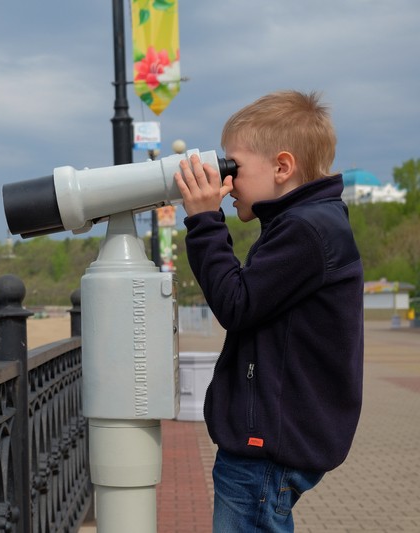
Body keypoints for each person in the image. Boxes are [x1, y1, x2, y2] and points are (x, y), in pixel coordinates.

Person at [174, 90, 364, 532]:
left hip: (266, 451)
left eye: (233, 166)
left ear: (282, 167)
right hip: (271, 442)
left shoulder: (306, 230)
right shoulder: (308, 222)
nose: (226, 180)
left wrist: (204, 221)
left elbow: (235, 303)